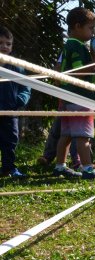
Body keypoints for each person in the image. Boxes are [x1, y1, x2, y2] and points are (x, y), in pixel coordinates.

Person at [54, 7, 95, 180]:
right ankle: (88, 169)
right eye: (91, 28)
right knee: (83, 136)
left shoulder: (68, 46)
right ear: (78, 26)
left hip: (68, 97)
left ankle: (60, 166)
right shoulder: (78, 47)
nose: (93, 32)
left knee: (66, 135)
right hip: (80, 97)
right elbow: (78, 72)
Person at [0, 25, 31, 178]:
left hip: (11, 112)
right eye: (0, 43)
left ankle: (8, 168)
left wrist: (19, 100)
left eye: (8, 43)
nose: (4, 47)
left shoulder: (17, 66)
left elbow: (25, 87)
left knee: (10, 141)